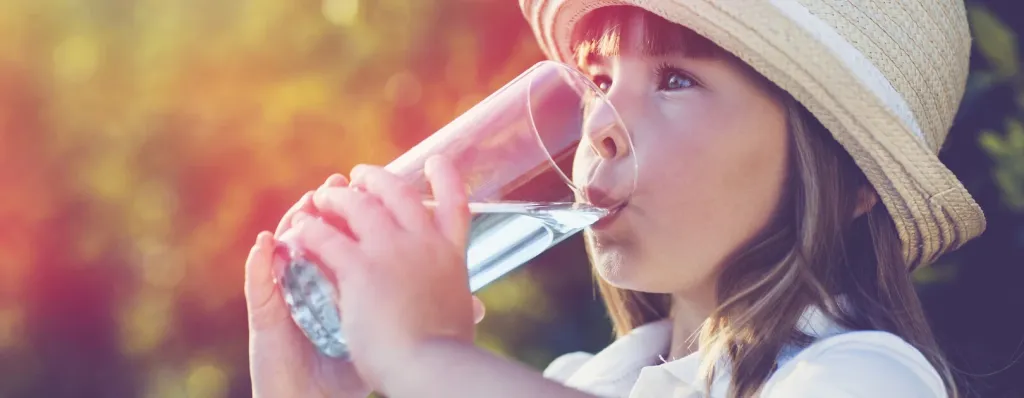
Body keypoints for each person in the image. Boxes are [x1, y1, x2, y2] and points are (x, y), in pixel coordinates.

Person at [244, 1, 986, 397]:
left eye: (675, 80)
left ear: (852, 179)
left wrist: (425, 358)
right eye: (598, 81)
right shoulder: (581, 380)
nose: (599, 126)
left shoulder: (867, 379)